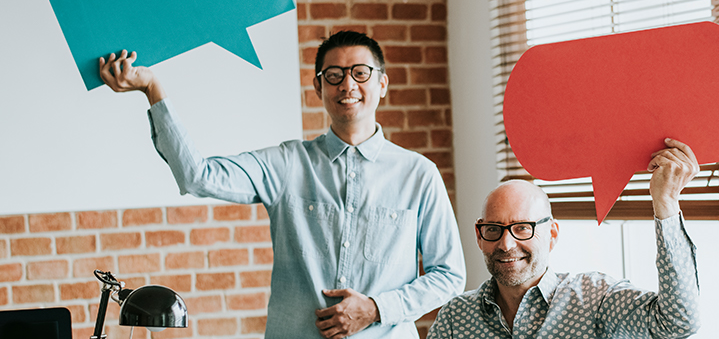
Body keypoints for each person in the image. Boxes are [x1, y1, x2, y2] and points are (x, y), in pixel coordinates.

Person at [99, 31, 466, 339]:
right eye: (334, 75)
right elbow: (199, 176)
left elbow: (449, 275)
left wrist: (375, 308)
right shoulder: (287, 164)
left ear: (382, 83)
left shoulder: (419, 174)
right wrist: (152, 88)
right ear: (318, 87)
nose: (348, 84)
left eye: (360, 73)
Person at [427, 138, 701, 339]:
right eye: (493, 229)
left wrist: (665, 202)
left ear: (552, 234)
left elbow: (678, 323)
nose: (506, 244)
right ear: (479, 234)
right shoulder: (455, 318)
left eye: (522, 228)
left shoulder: (596, 299)